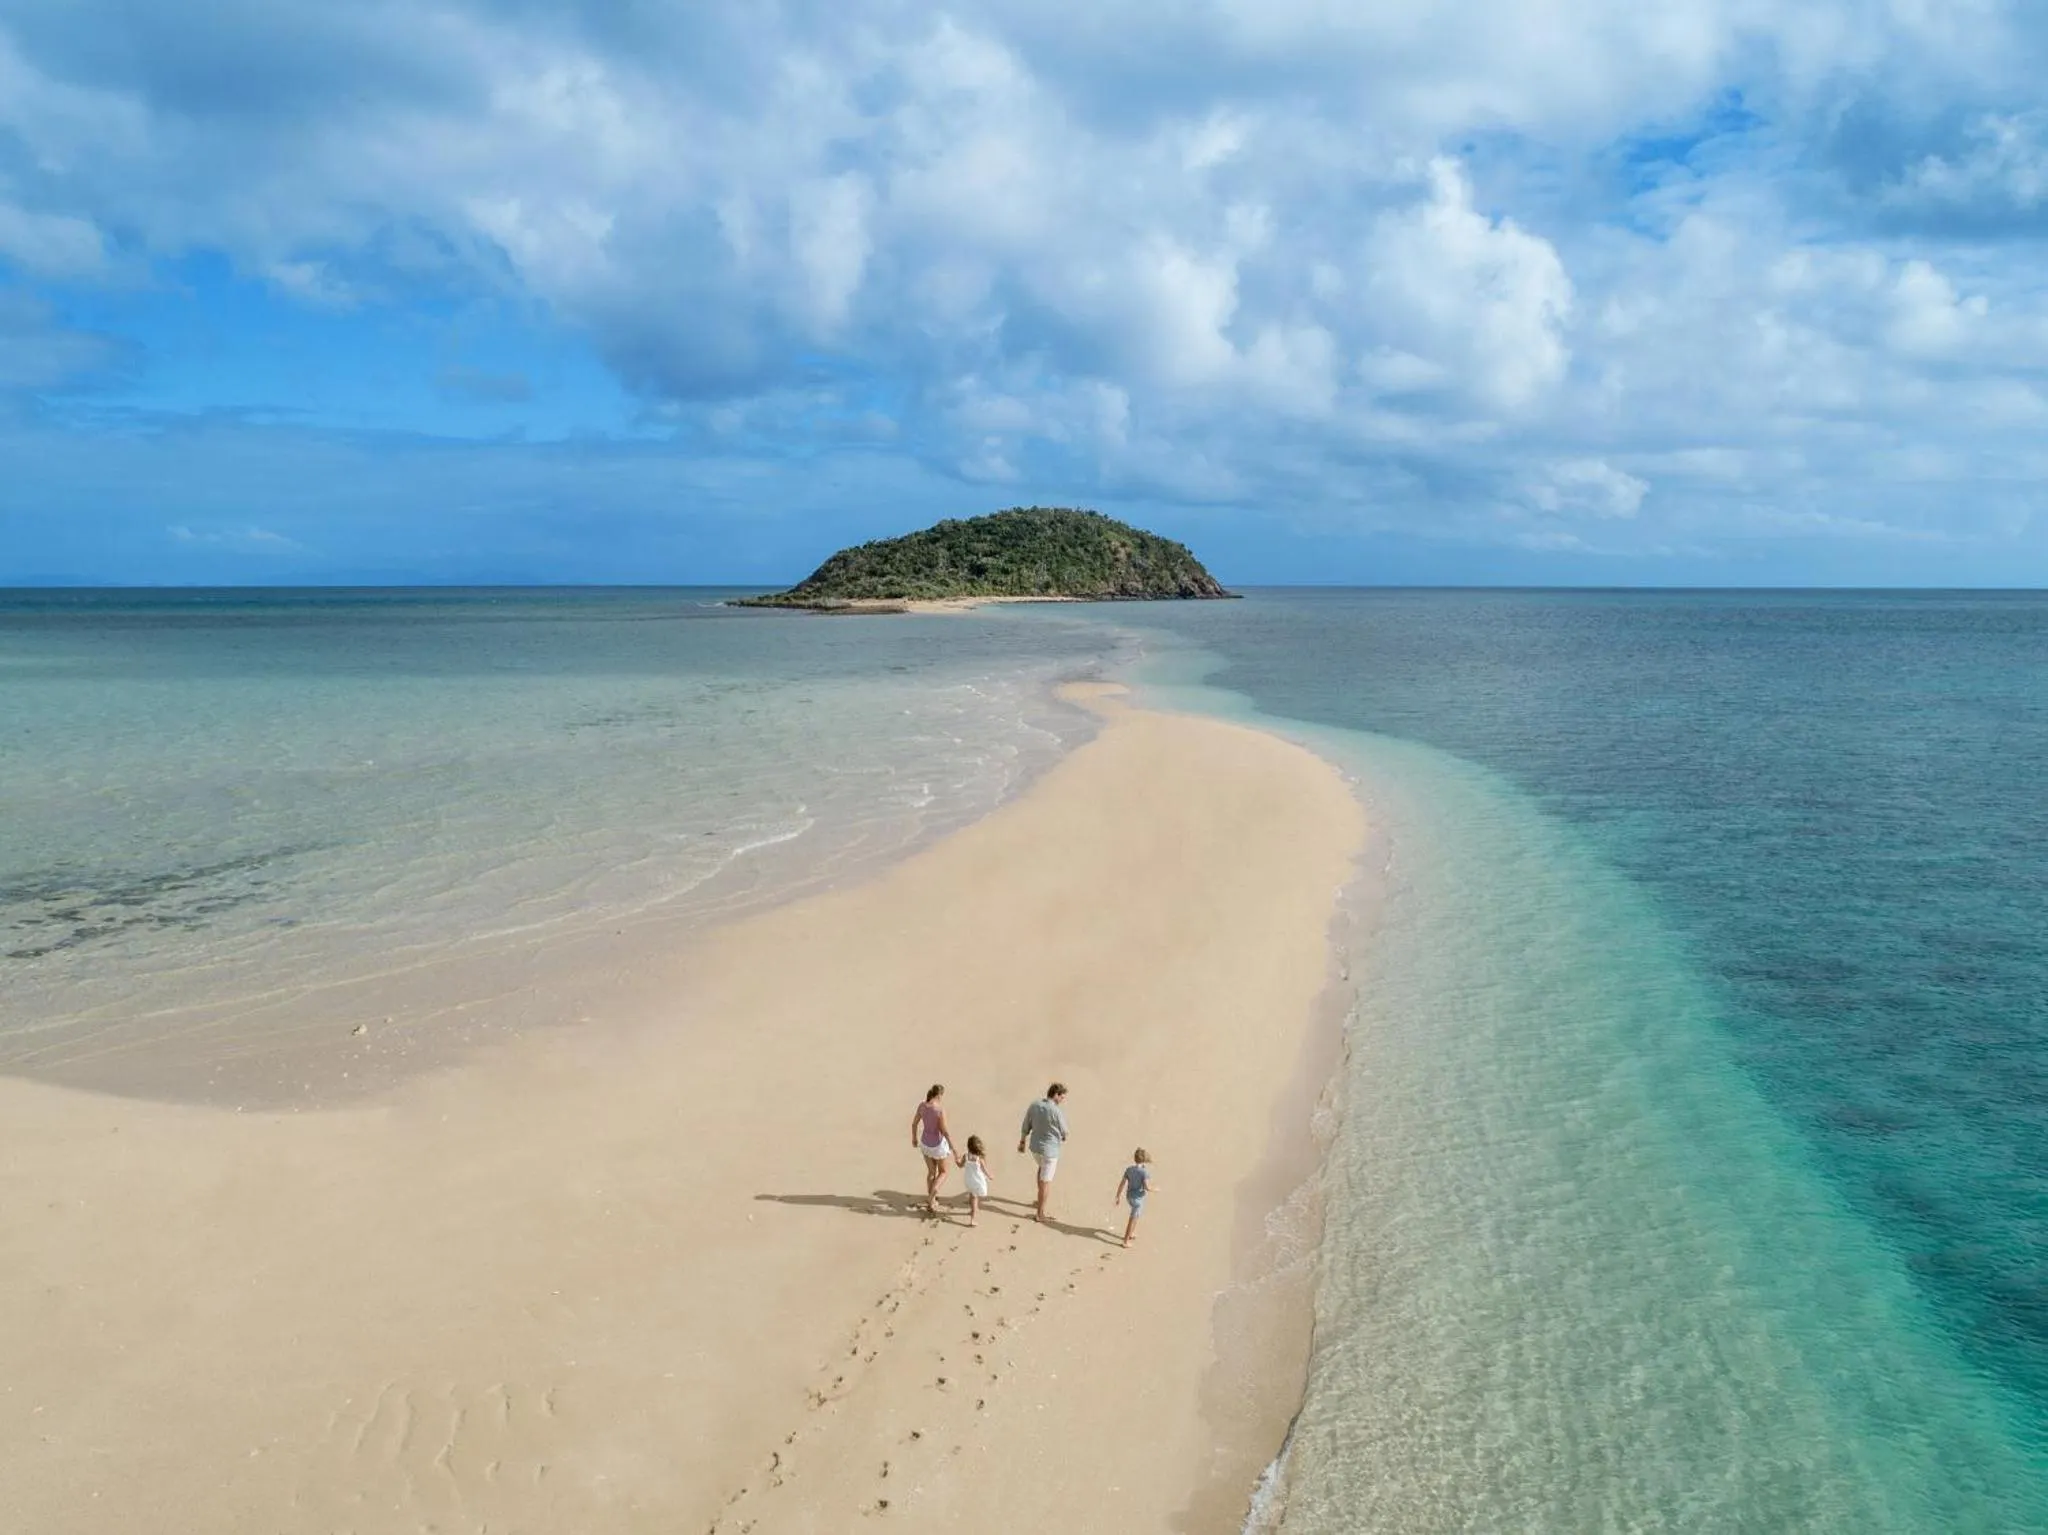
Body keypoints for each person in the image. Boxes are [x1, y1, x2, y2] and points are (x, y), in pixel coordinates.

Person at [1017, 1082, 1069, 1223]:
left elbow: (1026, 1124)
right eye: (1062, 1097)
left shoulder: (1035, 1105)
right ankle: (1040, 1214)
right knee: (1046, 1182)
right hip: (1050, 1152)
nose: (1062, 1100)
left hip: (1035, 1149)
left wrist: (1022, 1141)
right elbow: (1065, 1131)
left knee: (1041, 1170)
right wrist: (1063, 1136)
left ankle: (1038, 1200)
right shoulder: (1056, 1111)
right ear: (1056, 1095)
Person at [911, 1084, 954, 1216]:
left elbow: (914, 1123)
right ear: (939, 1095)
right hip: (937, 1145)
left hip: (925, 1143)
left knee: (931, 1172)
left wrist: (914, 1138)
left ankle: (932, 1199)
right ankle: (932, 1197)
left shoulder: (922, 1106)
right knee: (943, 1172)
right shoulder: (939, 1110)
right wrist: (953, 1146)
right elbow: (944, 1131)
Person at [1112, 1148, 1155, 1248]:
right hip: (1138, 1199)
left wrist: (1118, 1196)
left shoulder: (1129, 1169)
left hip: (1129, 1196)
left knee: (1136, 1215)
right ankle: (1125, 1241)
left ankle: (1131, 1234)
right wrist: (1155, 1189)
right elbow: (1146, 1187)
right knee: (1133, 1218)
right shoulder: (1144, 1172)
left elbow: (1122, 1183)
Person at [957, 1135, 992, 1226]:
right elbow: (985, 1170)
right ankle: (973, 1217)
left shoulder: (966, 1156)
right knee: (974, 1198)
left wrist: (957, 1160)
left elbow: (960, 1165)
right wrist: (990, 1176)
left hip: (968, 1180)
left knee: (972, 1194)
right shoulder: (979, 1159)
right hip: (977, 1180)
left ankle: (972, 1209)